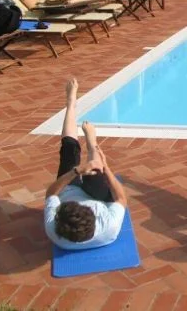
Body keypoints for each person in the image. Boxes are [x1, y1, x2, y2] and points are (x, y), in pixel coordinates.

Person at [44, 78, 128, 250]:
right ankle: (92, 143)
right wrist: (106, 168)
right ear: (93, 216)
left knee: (69, 148)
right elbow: (121, 198)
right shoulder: (108, 226)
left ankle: (70, 104)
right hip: (99, 197)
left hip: (69, 189)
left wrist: (76, 171)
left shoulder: (53, 228)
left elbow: (51, 193)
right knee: (97, 166)